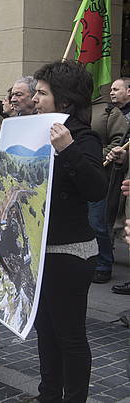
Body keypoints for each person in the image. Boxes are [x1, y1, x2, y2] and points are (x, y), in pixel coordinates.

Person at [26, 60, 106, 402]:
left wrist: (68, 149)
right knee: (45, 330)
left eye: (42, 94)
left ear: (65, 101)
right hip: (40, 250)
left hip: (69, 253)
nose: (34, 100)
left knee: (68, 335)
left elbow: (96, 188)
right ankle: (48, 395)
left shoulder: (83, 138)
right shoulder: (34, 131)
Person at [88, 87, 128, 284]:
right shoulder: (67, 112)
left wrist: (91, 156)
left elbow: (120, 142)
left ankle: (104, 264)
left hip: (102, 177)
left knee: (98, 223)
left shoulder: (109, 112)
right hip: (77, 178)